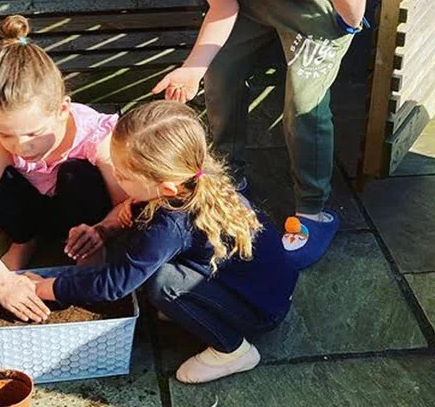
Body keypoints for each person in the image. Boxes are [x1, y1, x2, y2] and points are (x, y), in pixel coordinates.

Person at [93, 0, 376, 269]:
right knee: (218, 73)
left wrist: (344, 32)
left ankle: (314, 209)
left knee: (304, 102)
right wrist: (192, 67)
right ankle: (228, 180)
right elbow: (222, 4)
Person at [27, 101, 299, 383]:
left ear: (165, 187)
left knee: (162, 282)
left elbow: (114, 284)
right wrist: (106, 228)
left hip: (261, 311)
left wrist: (48, 288)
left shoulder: (171, 223)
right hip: (268, 287)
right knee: (142, 248)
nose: (116, 178)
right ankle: (198, 307)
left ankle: (232, 349)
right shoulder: (192, 180)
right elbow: (135, 215)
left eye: (123, 176)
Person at [0, 15, 129, 324]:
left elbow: (125, 206)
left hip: (79, 220)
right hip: (33, 211)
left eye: (32, 133)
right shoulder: (0, 144)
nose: (20, 145)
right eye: (4, 132)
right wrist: (0, 280)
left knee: (77, 174)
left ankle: (87, 252)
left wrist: (101, 230)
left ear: (62, 109)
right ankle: (25, 240)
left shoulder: (94, 137)